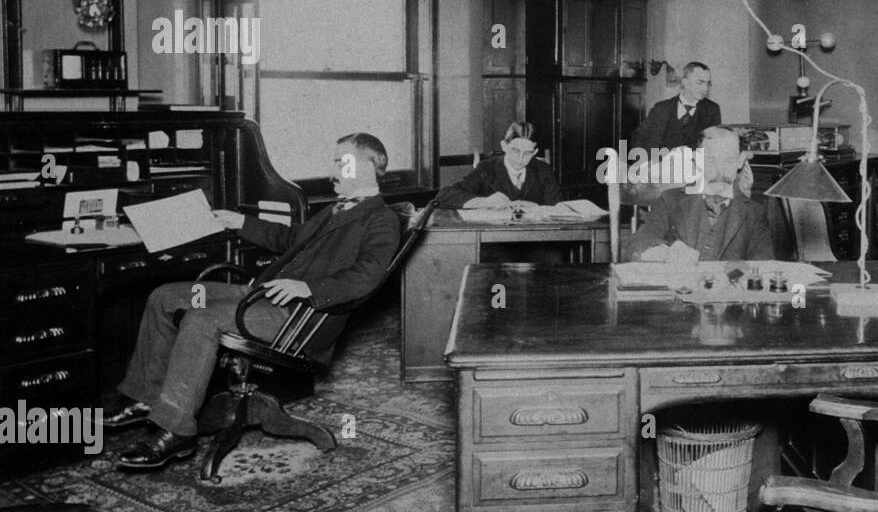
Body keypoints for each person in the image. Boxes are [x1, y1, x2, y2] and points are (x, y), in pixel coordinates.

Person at [102, 133, 402, 470]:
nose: (333, 170)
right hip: (262, 295)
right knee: (166, 296)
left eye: (340, 161)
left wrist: (307, 288)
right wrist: (241, 222)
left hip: (299, 316)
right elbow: (288, 239)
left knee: (202, 318)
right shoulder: (335, 209)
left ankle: (176, 431)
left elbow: (367, 276)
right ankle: (149, 397)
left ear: (368, 166)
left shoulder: (382, 219)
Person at [624, 126, 773, 263]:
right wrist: (666, 253)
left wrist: (730, 275)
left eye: (728, 160)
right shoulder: (670, 200)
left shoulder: (755, 212)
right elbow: (638, 243)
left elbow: (762, 264)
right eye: (710, 160)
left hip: (725, 290)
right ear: (697, 159)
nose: (719, 171)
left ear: (740, 160)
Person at [436, 120, 561, 209]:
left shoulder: (543, 170)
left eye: (527, 153)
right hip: (496, 240)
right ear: (504, 146)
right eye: (515, 151)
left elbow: (558, 206)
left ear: (535, 152)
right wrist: (484, 202)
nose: (520, 159)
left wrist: (537, 207)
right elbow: (445, 195)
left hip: (532, 239)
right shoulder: (487, 168)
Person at [631, 62, 722, 153]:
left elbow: (713, 147)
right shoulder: (661, 108)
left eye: (708, 83)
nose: (705, 88)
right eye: (700, 82)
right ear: (685, 82)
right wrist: (647, 164)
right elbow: (639, 138)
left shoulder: (711, 110)